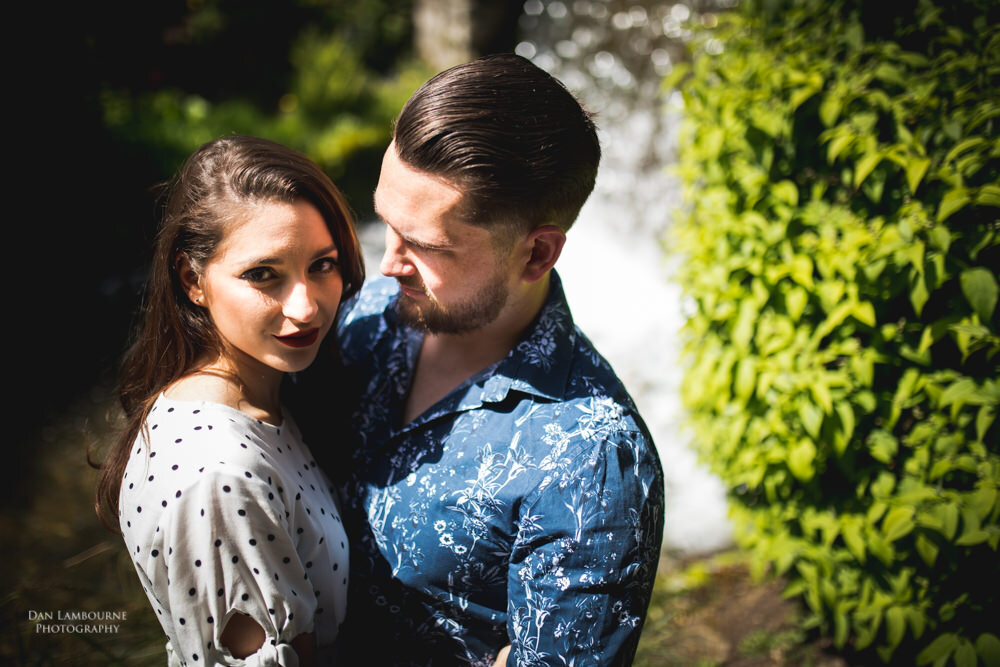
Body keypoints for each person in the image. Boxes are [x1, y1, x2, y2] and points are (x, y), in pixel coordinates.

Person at [322, 53, 665, 666]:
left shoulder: (589, 459)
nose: (387, 264)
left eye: (425, 246)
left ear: (536, 254)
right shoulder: (367, 318)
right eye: (386, 225)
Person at [93, 135, 365, 666]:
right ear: (192, 279)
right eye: (263, 274)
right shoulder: (219, 475)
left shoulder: (265, 396)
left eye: (322, 265)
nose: (306, 307)